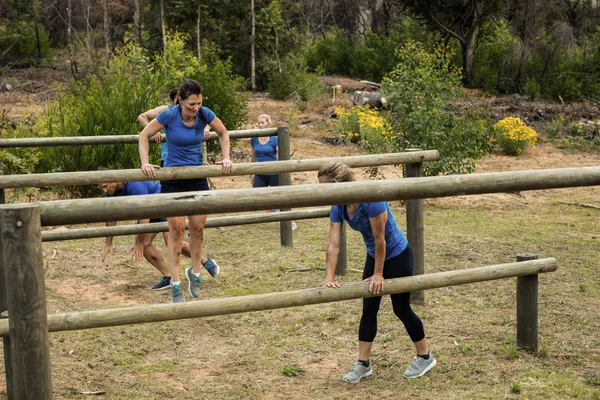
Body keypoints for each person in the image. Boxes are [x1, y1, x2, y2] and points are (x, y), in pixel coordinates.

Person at [317, 162, 436, 383]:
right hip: (375, 256)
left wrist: (378, 274)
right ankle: (363, 364)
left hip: (398, 255)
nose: (322, 193)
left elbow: (381, 239)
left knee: (401, 309)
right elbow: (333, 244)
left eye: (325, 187)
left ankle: (425, 356)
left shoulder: (371, 198)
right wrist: (329, 277)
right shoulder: (338, 206)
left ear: (339, 185)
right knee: (368, 308)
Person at [138, 79, 232, 303]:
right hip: (173, 178)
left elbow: (224, 133)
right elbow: (144, 136)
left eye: (198, 103)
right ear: (180, 100)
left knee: (198, 229)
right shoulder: (169, 115)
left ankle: (195, 274)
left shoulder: (204, 114)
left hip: (197, 176)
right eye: (191, 104)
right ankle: (176, 283)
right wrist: (145, 163)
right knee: (177, 232)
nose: (195, 108)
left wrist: (226, 157)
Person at [98, 180, 220, 291]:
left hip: (162, 205)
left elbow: (145, 215)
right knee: (145, 246)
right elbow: (111, 218)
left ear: (114, 179)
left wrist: (138, 243)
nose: (104, 190)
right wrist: (108, 243)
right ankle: (169, 276)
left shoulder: (134, 185)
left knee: (172, 243)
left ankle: (205, 261)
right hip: (151, 211)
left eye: (105, 186)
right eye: (101, 188)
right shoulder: (111, 194)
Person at [249, 114, 296, 229]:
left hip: (274, 172)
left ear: (268, 124)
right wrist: (252, 173)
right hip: (260, 172)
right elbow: (253, 156)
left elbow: (281, 155)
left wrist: (284, 171)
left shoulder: (274, 139)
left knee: (281, 197)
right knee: (256, 195)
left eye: (262, 123)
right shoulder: (254, 138)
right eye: (258, 123)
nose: (259, 125)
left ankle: (290, 220)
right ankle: (271, 208)